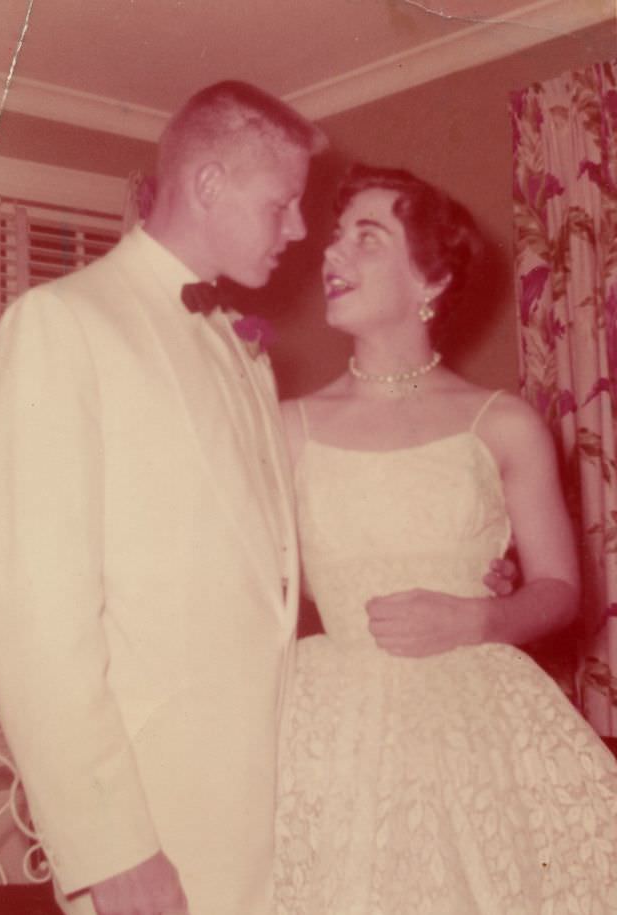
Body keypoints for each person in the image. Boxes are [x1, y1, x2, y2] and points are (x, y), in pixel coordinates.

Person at [0, 81, 326, 915]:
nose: (300, 229)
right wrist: (111, 847)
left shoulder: (246, 353)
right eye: (282, 204)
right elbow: (35, 621)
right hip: (153, 837)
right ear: (207, 185)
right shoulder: (60, 324)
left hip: (272, 823)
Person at [274, 164, 617, 914]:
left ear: (430, 280)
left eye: (367, 239)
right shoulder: (285, 427)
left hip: (476, 722)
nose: (332, 256)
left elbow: (560, 589)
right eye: (335, 239)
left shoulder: (502, 421)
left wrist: (478, 618)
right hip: (331, 726)